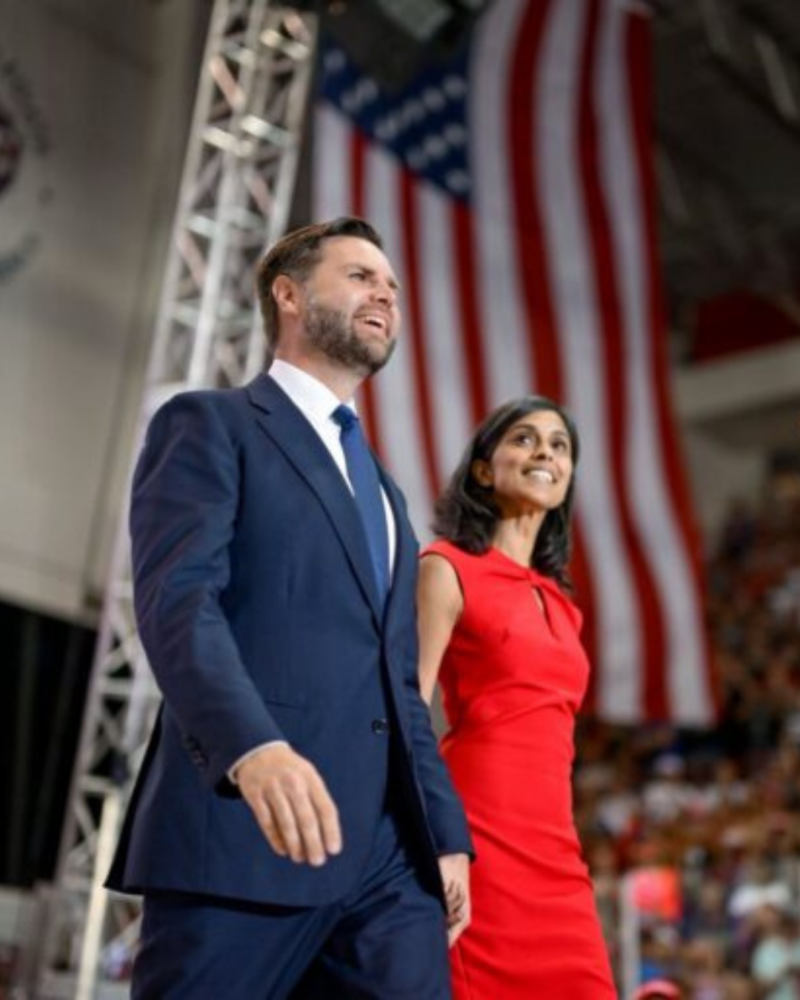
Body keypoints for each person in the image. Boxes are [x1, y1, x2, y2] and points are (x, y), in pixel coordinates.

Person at [107, 217, 472, 999]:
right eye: (361, 276)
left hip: (386, 859)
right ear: (290, 295)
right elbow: (179, 604)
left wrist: (442, 834)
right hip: (246, 827)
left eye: (393, 287)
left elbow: (399, 683)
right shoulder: (209, 424)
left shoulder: (384, 491)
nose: (386, 295)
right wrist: (251, 746)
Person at [417, 396, 617, 998]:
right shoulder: (445, 568)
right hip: (479, 833)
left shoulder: (563, 604)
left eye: (559, 446)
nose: (545, 454)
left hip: (556, 847)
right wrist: (440, 837)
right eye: (525, 439)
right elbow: (402, 713)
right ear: (484, 468)